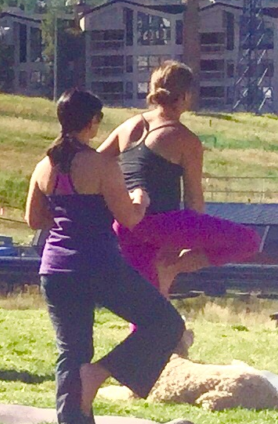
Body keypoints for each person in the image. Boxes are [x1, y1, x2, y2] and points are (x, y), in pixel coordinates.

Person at [30, 87, 183, 424]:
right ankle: (97, 374)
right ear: (92, 121)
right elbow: (129, 217)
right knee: (166, 324)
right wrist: (139, 198)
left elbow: (34, 219)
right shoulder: (101, 164)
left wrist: (68, 218)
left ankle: (73, 421)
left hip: (56, 268)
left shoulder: (44, 166)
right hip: (99, 265)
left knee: (72, 347)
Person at [97, 61, 261, 297]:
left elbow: (95, 163)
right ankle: (172, 268)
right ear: (184, 96)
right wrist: (188, 251)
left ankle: (166, 326)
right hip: (163, 223)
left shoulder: (129, 126)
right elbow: (194, 200)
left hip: (126, 224)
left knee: (151, 304)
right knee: (248, 241)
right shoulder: (184, 138)